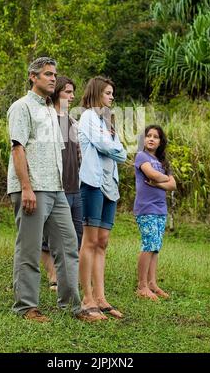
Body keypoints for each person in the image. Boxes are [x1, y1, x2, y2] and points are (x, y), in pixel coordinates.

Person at [7, 57, 84, 322]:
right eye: (48, 74)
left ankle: (72, 306)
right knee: (29, 248)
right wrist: (26, 187)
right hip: (32, 189)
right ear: (33, 77)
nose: (53, 78)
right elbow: (18, 148)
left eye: (55, 74)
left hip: (57, 189)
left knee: (68, 246)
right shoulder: (21, 107)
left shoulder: (52, 110)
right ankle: (26, 307)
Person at [78, 76, 127, 321]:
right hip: (92, 183)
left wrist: (114, 146)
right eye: (108, 93)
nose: (111, 97)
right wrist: (114, 146)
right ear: (97, 93)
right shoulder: (87, 117)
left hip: (110, 186)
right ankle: (86, 300)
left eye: (112, 93)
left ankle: (101, 297)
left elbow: (122, 154)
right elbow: (107, 147)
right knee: (90, 240)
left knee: (103, 241)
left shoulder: (107, 122)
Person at [41, 76, 83, 291]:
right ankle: (53, 275)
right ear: (57, 92)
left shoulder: (73, 122)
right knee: (50, 235)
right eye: (68, 91)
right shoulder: (47, 118)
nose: (72, 96)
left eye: (73, 92)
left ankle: (69, 275)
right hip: (55, 186)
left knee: (76, 234)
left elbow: (78, 154)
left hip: (75, 185)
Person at [133, 125, 176, 301]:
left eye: (155, 137)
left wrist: (159, 183)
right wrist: (163, 179)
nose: (151, 139)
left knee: (155, 247)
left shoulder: (163, 162)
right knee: (148, 245)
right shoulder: (141, 156)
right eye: (148, 136)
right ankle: (142, 286)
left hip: (160, 208)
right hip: (146, 207)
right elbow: (152, 174)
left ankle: (152, 283)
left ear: (160, 141)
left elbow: (172, 185)